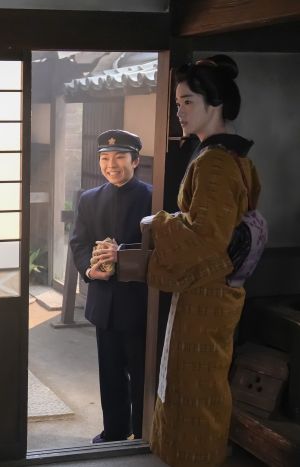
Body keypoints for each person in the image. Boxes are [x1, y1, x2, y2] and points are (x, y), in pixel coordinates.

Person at [146, 55, 261, 467]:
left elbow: (207, 238)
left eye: (187, 102)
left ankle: (195, 459)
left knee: (193, 386)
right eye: (178, 102)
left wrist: (158, 222)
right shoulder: (234, 157)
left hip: (206, 289)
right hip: (217, 287)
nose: (179, 111)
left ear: (216, 104)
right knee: (199, 382)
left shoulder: (214, 162)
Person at [69, 129, 152, 443]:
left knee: (141, 373)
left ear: (136, 161)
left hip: (140, 301)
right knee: (110, 372)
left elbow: (161, 250)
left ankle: (143, 433)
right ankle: (115, 431)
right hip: (104, 301)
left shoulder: (153, 198)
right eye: (105, 158)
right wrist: (89, 270)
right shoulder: (89, 199)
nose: (111, 165)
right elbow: (78, 243)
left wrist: (122, 255)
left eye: (119, 157)